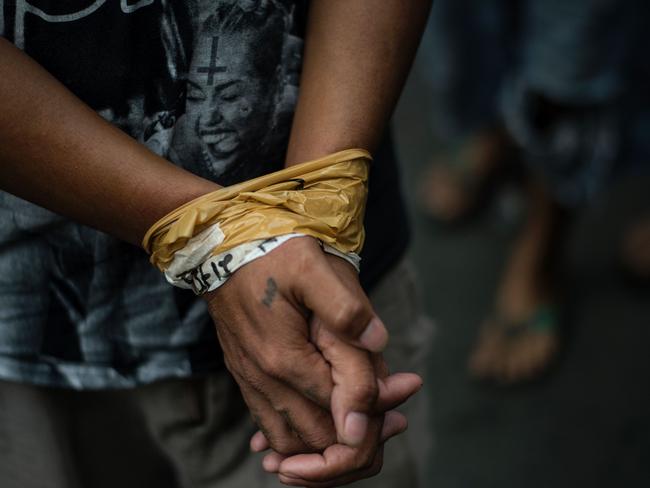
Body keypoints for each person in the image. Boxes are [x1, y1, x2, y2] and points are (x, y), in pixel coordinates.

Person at [0, 1, 433, 487]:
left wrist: (318, 212)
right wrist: (220, 236)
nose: (211, 121)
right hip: (27, 330)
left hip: (327, 280)